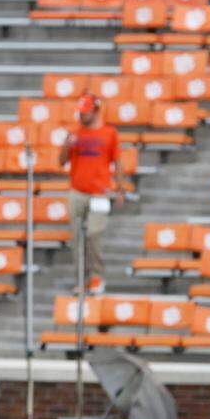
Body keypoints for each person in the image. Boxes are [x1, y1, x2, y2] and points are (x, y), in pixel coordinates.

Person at [58, 93, 129, 295]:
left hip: (100, 193)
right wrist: (66, 146)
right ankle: (82, 279)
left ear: (95, 110)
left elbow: (118, 162)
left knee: (93, 235)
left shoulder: (109, 133)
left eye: (85, 112)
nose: (82, 116)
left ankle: (97, 277)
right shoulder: (74, 134)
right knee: (76, 239)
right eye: (80, 113)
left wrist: (121, 188)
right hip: (77, 191)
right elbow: (61, 161)